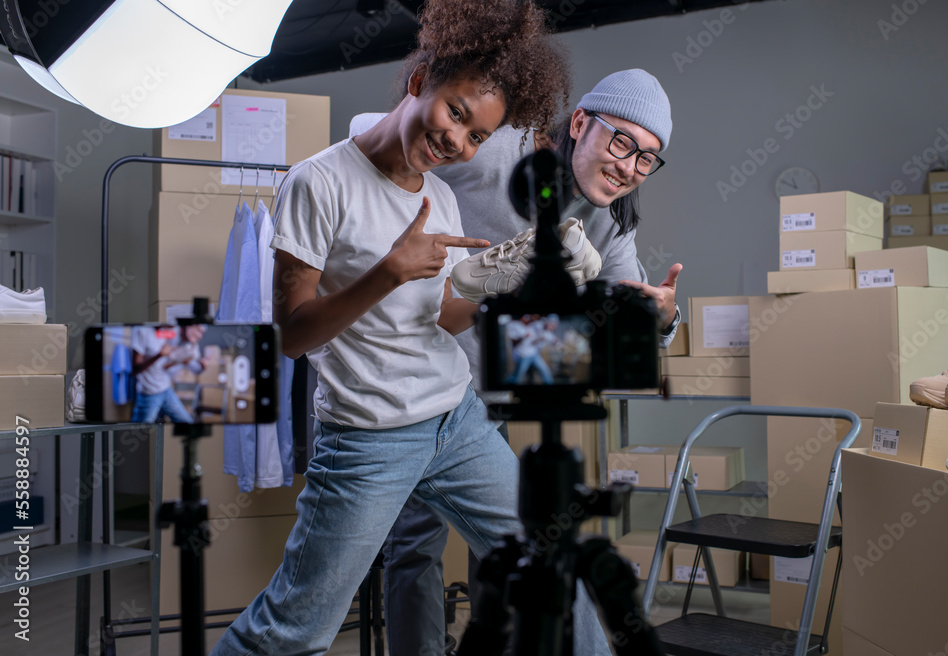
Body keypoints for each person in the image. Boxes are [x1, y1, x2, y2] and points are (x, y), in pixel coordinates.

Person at [208, 2, 614, 655]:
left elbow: (445, 315)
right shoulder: (318, 183)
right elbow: (290, 337)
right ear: (421, 78)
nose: (458, 142)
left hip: (458, 422)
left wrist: (501, 278)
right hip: (369, 438)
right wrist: (387, 272)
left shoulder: (440, 195)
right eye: (457, 114)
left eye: (478, 136)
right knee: (293, 630)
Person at [360, 68, 683, 656]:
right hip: (419, 380)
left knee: (527, 543)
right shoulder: (496, 149)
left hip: (491, 392)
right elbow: (378, 140)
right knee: (414, 547)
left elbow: (629, 308)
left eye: (647, 160)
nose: (629, 167)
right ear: (580, 122)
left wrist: (659, 318)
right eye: (621, 143)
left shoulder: (609, 218)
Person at [130, 324, 206, 423]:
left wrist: (182, 360)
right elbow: (135, 369)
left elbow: (163, 365)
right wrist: (159, 355)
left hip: (166, 389)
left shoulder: (164, 332)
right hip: (150, 393)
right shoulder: (142, 331)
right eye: (198, 330)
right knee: (139, 433)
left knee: (187, 423)